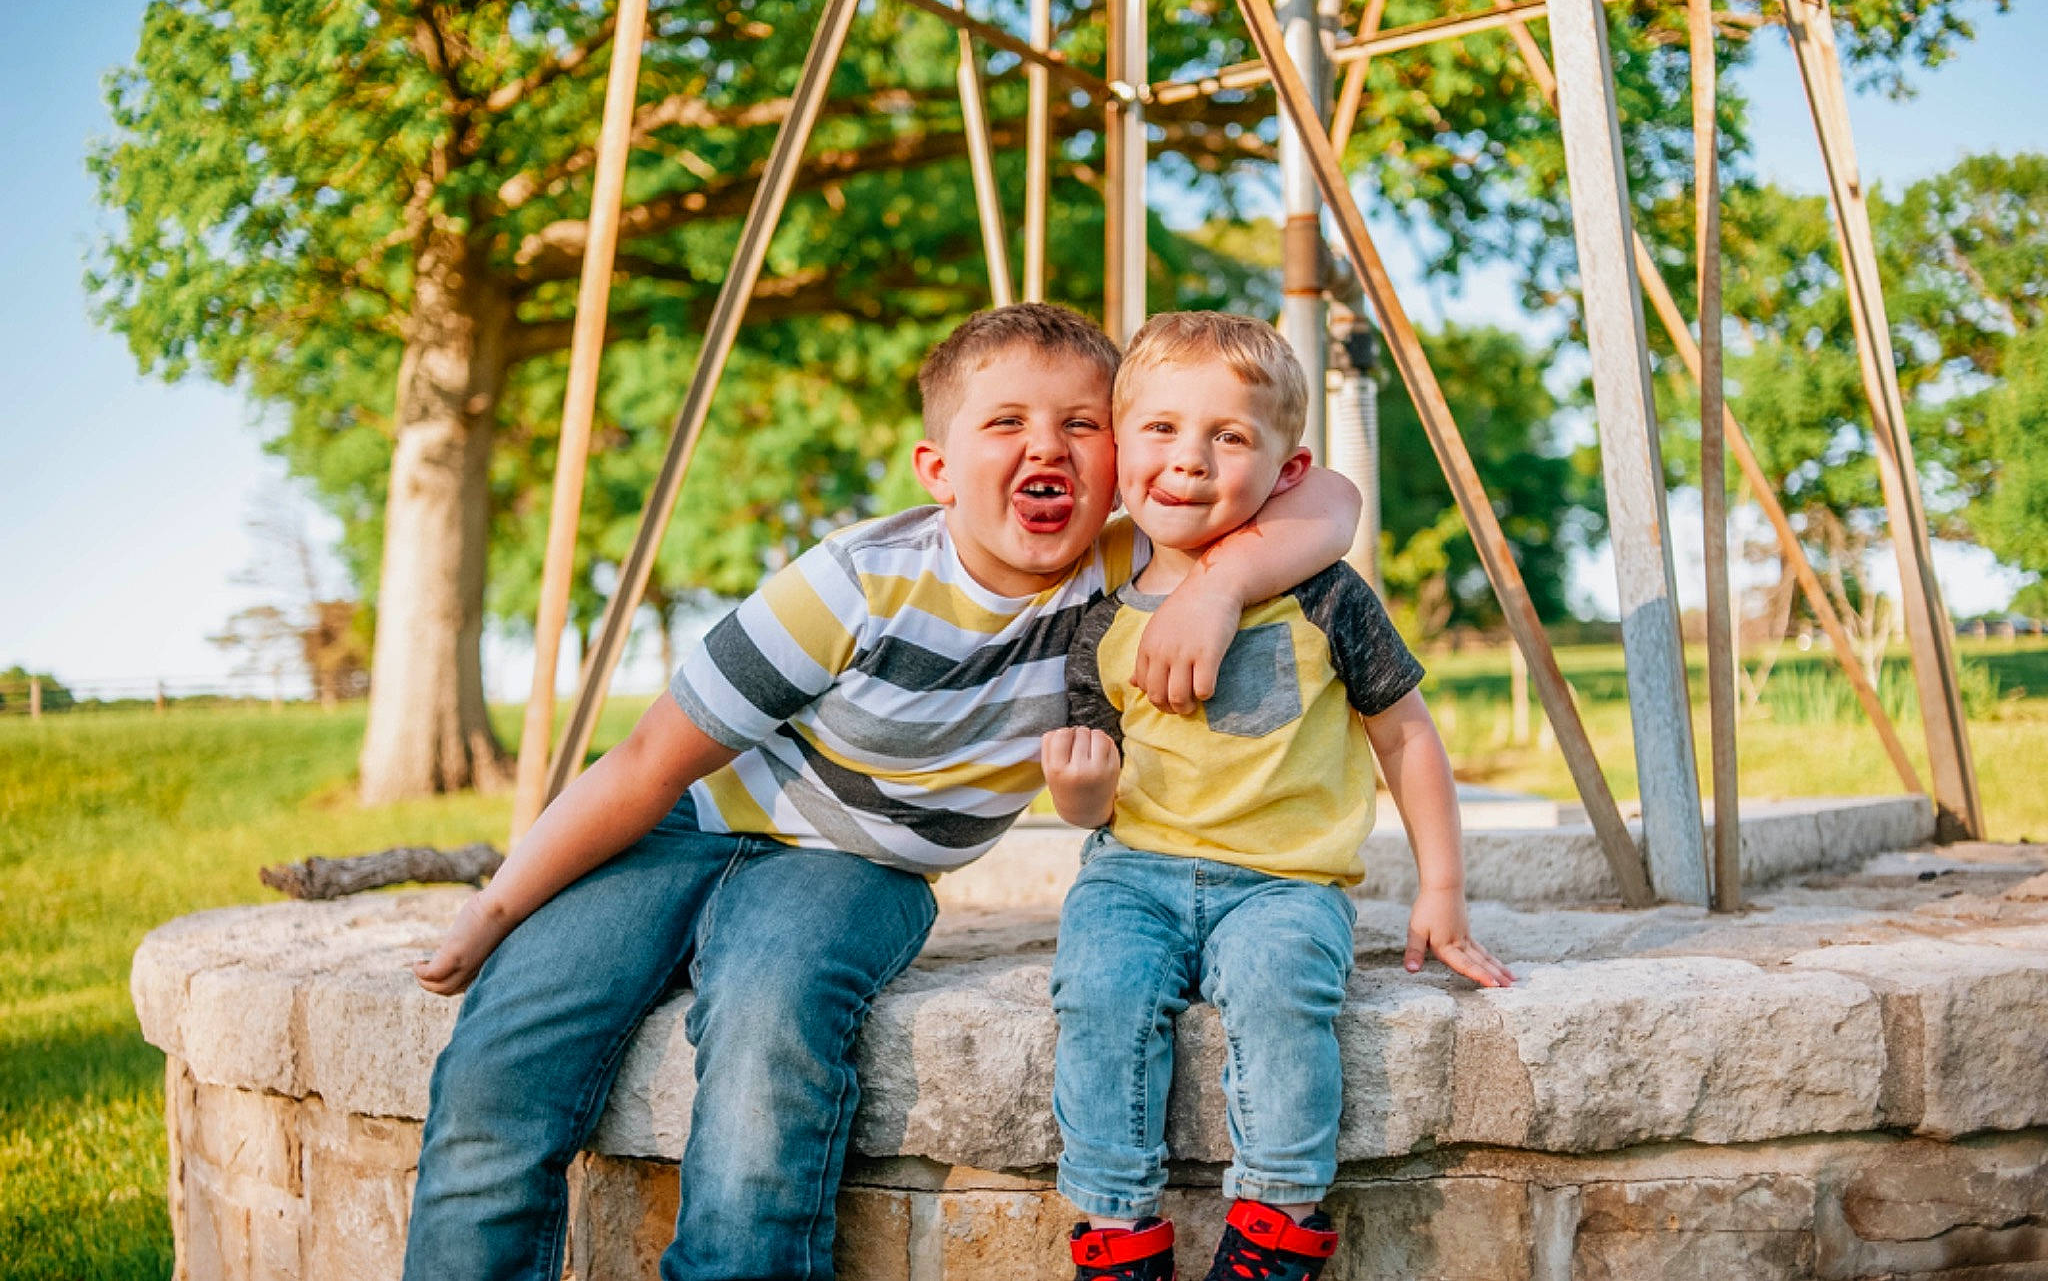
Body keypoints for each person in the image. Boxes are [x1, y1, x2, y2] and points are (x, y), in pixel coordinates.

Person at [401, 302, 1365, 1281]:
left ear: (1120, 457)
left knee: (765, 1031)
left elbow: (1326, 496)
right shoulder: (855, 583)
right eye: (1005, 423)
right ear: (936, 470)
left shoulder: (1125, 570)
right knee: (499, 1067)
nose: (1048, 447)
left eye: (1082, 424)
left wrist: (1215, 586)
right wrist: (498, 904)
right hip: (676, 831)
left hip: (857, 869)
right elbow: (648, 760)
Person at [1040, 311, 1514, 1281]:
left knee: (1278, 995)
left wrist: (1440, 889)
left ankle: (1274, 1226)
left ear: (1284, 470)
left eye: (1228, 436)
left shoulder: (1327, 597)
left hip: (1285, 883)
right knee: (1095, 990)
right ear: (1120, 444)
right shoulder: (1097, 621)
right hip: (1132, 872)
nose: (1189, 460)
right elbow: (1091, 802)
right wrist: (1080, 795)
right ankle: (1117, 1229)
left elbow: (1403, 734)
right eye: (1161, 429)